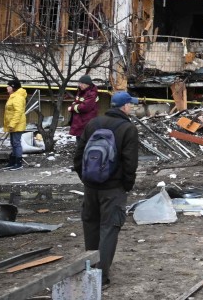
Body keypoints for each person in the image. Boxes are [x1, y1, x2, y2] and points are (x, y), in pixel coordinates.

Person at [74, 91, 140, 287]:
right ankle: (100, 278)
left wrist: (86, 178)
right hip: (113, 188)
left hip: (90, 186)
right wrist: (126, 185)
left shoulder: (93, 124)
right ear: (125, 106)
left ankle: (90, 268)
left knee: (91, 225)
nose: (132, 107)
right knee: (109, 228)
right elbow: (130, 163)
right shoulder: (128, 128)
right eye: (131, 104)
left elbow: (78, 156)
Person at [3, 78, 27, 171]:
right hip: (13, 124)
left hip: (17, 124)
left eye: (8, 86)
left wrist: (12, 124)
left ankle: (18, 163)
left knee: (16, 143)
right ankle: (13, 162)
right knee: (13, 143)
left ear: (13, 87)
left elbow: (18, 112)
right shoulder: (13, 96)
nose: (7, 88)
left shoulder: (17, 97)